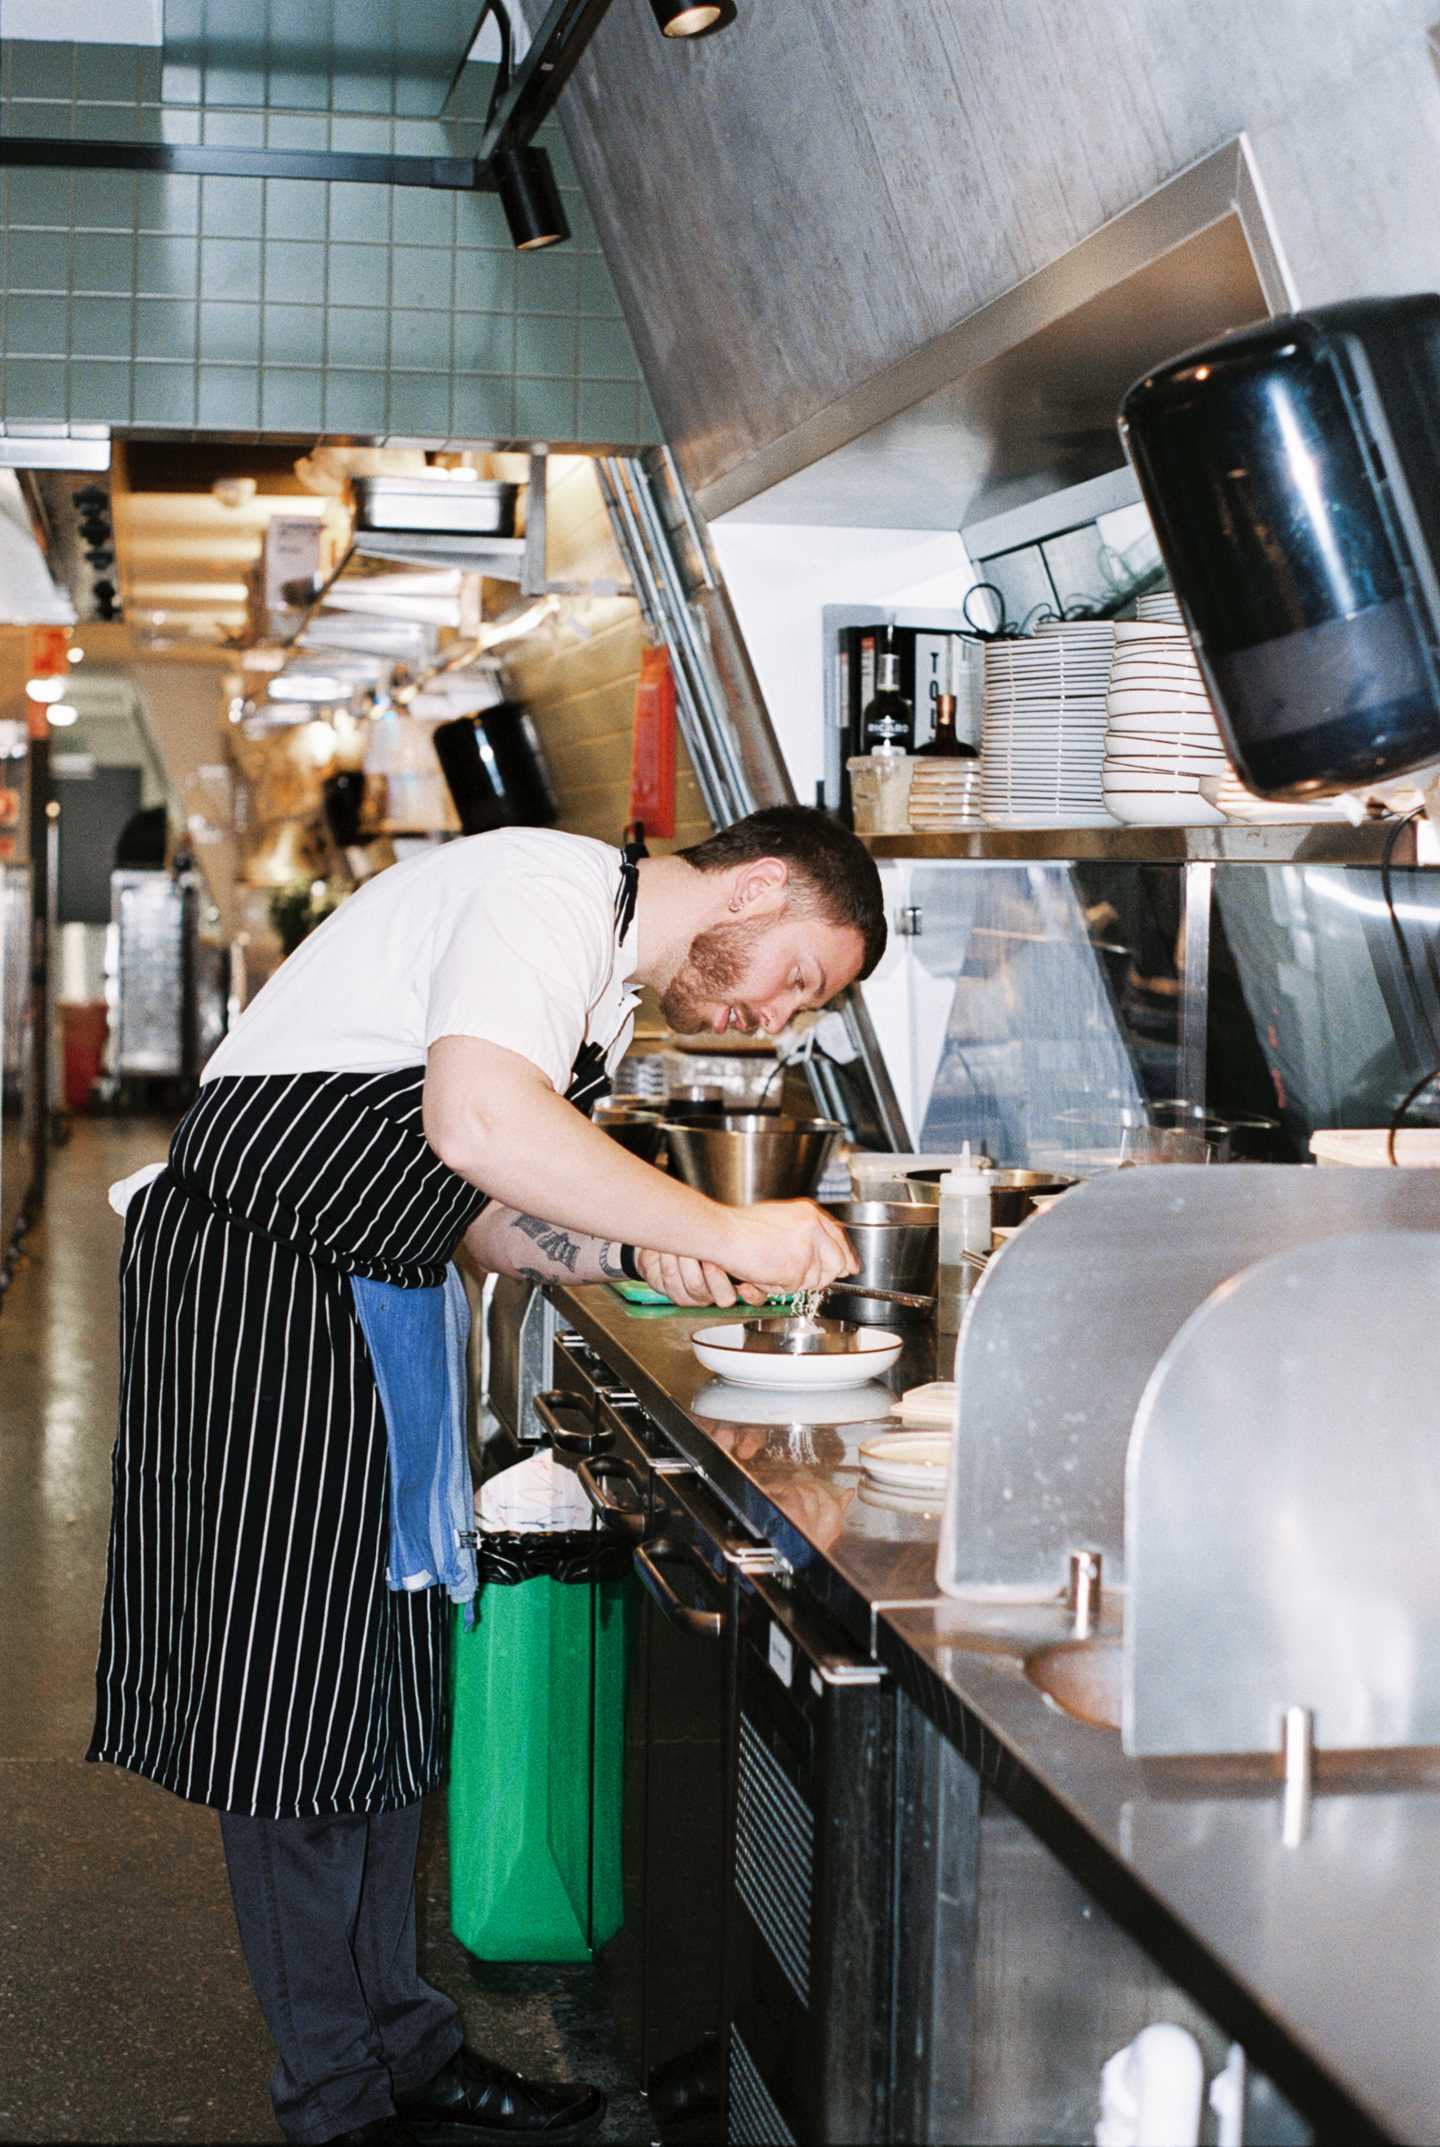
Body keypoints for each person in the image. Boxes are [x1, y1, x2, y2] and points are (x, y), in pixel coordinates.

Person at [88, 805, 885, 2147]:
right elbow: (474, 1123)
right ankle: (334, 2100)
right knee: (290, 1707)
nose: (774, 1017)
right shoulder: (546, 892)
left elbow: (471, 1207)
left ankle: (403, 2044)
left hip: (369, 1298)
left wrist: (633, 1256)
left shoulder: (605, 993)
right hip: (263, 1293)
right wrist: (719, 1217)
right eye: (796, 977)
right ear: (753, 888)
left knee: (388, 1684)